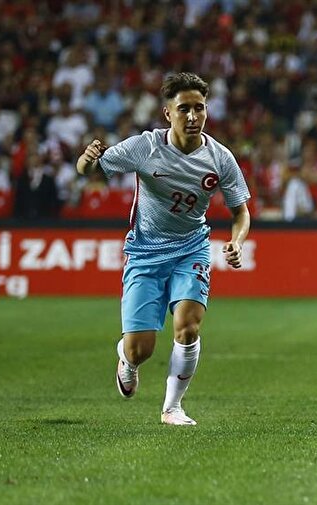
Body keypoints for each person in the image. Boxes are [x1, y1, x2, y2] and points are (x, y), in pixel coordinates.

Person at [75, 72, 251, 426]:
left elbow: (240, 212)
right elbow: (88, 172)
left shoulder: (220, 159)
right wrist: (87, 158)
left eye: (199, 108)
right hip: (145, 253)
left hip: (192, 248)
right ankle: (127, 359)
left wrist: (236, 241)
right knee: (142, 348)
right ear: (167, 112)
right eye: (184, 108)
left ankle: (172, 407)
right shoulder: (146, 147)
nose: (192, 116)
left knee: (188, 327)